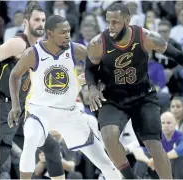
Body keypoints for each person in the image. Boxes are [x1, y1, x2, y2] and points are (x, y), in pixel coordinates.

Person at [85, 3, 183, 179]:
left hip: (143, 97)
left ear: (127, 20)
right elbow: (89, 68)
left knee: (154, 145)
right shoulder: (98, 43)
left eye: (115, 22)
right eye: (108, 22)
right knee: (108, 136)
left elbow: (177, 54)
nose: (111, 27)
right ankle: (130, 177)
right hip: (114, 98)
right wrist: (91, 88)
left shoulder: (145, 37)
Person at [8, 14, 122, 180]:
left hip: (69, 113)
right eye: (63, 32)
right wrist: (15, 105)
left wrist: (93, 85)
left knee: (103, 161)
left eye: (69, 31)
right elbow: (14, 75)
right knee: (31, 139)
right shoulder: (33, 53)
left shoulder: (75, 49)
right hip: (40, 111)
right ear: (50, 33)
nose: (67, 35)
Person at [0, 3, 66, 179]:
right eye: (36, 20)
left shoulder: (40, 50)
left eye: (43, 20)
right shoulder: (18, 43)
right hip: (4, 106)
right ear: (26, 22)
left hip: (22, 110)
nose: (41, 24)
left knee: (51, 146)